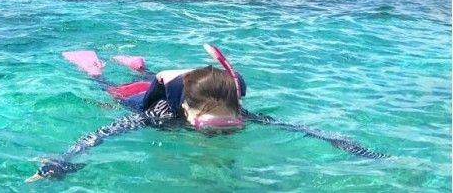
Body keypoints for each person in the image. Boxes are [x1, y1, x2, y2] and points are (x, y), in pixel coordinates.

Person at [27, 44, 386, 182]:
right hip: (156, 93)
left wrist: (353, 148)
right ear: (187, 110)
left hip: (201, 84)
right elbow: (101, 134)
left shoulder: (239, 108)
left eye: (227, 122)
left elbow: (305, 130)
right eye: (208, 125)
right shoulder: (164, 114)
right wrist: (63, 159)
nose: (219, 131)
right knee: (112, 93)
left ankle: (141, 67)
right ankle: (102, 71)